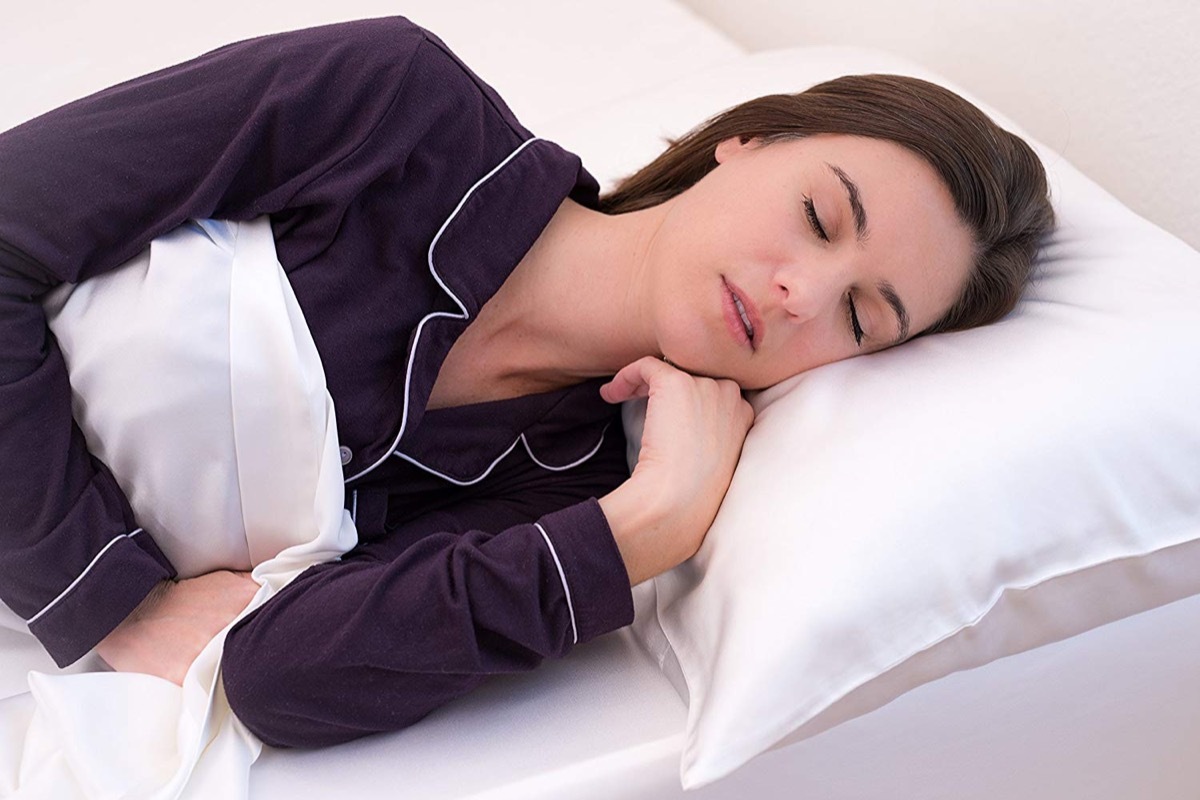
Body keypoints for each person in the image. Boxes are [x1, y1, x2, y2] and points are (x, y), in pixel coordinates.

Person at [0, 16, 1054, 747]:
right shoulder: (398, 107)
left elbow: (281, 675)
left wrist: (647, 525)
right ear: (749, 140)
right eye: (821, 217)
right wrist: (122, 603)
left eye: (860, 318)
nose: (797, 293)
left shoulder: (567, 490)